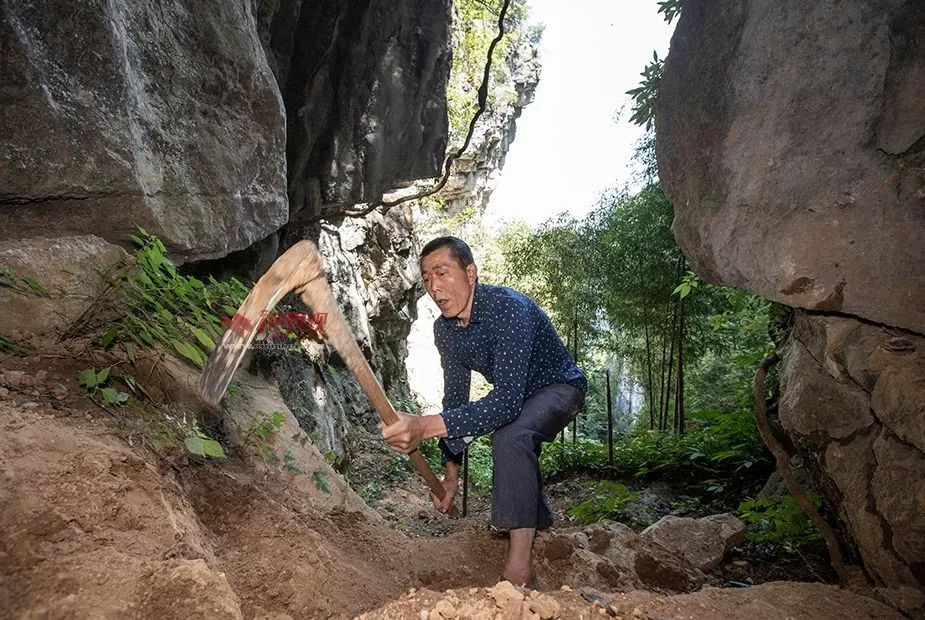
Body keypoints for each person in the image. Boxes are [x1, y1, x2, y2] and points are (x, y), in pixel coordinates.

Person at [381, 236, 586, 587]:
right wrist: (451, 474)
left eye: (442, 273)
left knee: (510, 436)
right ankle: (537, 522)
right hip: (519, 396)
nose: (434, 287)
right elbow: (456, 401)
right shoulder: (445, 330)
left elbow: (506, 403)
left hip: (559, 387)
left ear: (471, 272)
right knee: (511, 431)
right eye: (427, 278)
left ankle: (520, 571)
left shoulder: (508, 309)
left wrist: (423, 426)